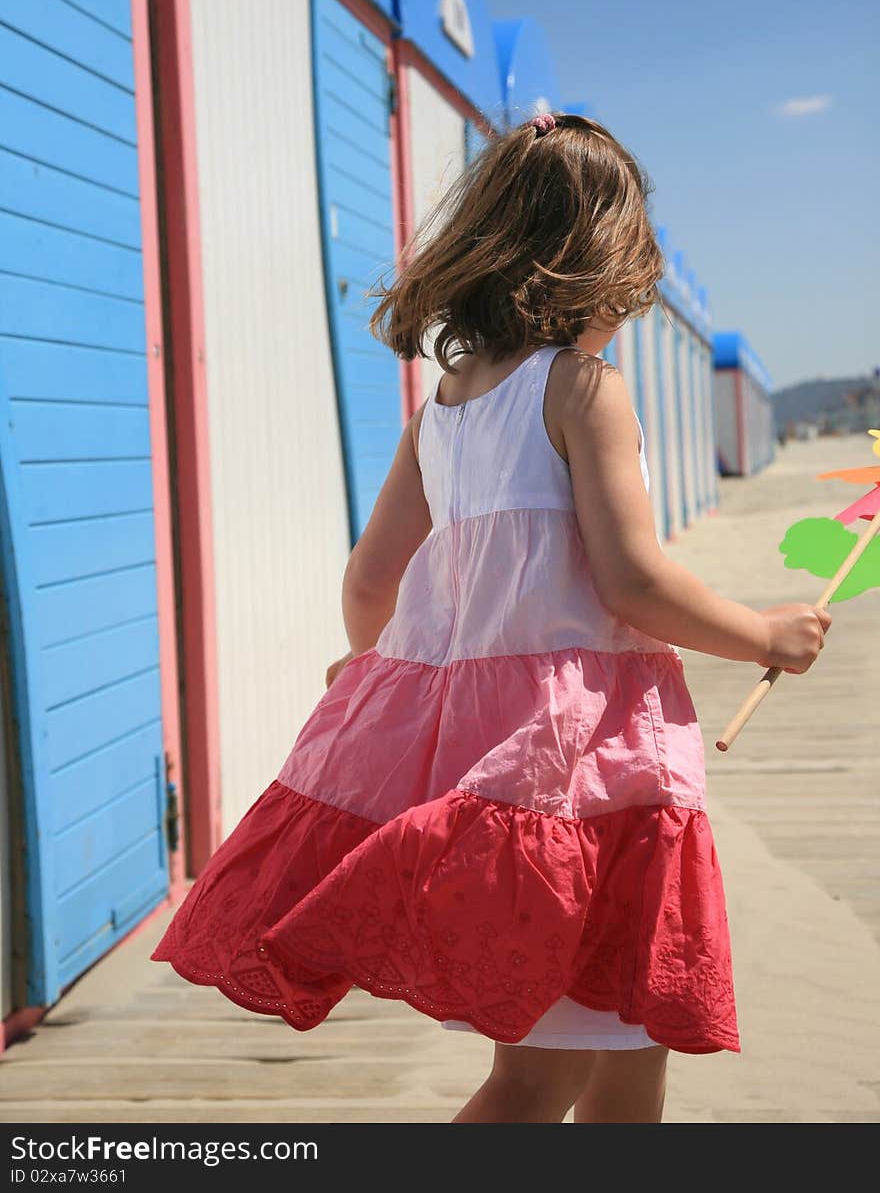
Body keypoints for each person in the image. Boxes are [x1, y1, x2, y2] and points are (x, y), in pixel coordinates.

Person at [151, 111, 831, 1123]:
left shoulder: (446, 408)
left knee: (622, 1047)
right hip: (582, 779)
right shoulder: (581, 390)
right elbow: (632, 582)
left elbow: (370, 582)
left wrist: (369, 666)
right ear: (604, 262)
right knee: (544, 1074)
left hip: (506, 775)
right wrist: (765, 633)